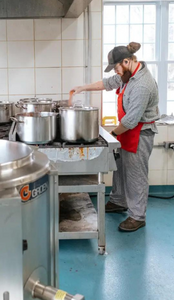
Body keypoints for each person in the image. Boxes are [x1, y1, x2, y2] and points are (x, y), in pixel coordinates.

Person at [70, 42, 160, 232]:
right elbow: (107, 83)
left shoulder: (142, 85)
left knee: (136, 175)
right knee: (120, 168)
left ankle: (137, 216)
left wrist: (110, 136)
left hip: (139, 132)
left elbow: (131, 121)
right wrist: (82, 88)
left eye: (116, 68)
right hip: (126, 130)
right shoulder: (127, 75)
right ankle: (119, 201)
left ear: (126, 61)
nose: (116, 73)